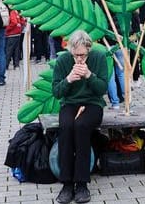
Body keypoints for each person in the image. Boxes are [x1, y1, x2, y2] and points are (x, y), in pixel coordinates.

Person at [51, 30, 108, 204]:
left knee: (81, 126)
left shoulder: (98, 57)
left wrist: (89, 75)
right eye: (76, 55)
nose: (79, 59)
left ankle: (82, 183)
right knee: (67, 127)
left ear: (89, 50)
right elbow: (57, 92)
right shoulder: (63, 60)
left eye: (83, 55)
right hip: (70, 104)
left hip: (93, 104)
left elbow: (102, 89)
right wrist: (68, 79)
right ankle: (67, 183)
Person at [4, 6, 25, 70]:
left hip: (11, 34)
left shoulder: (12, 12)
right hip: (18, 34)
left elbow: (14, 22)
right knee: (16, 51)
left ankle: (6, 66)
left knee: (9, 51)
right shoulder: (18, 12)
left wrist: (6, 29)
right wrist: (20, 27)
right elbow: (23, 21)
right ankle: (16, 65)